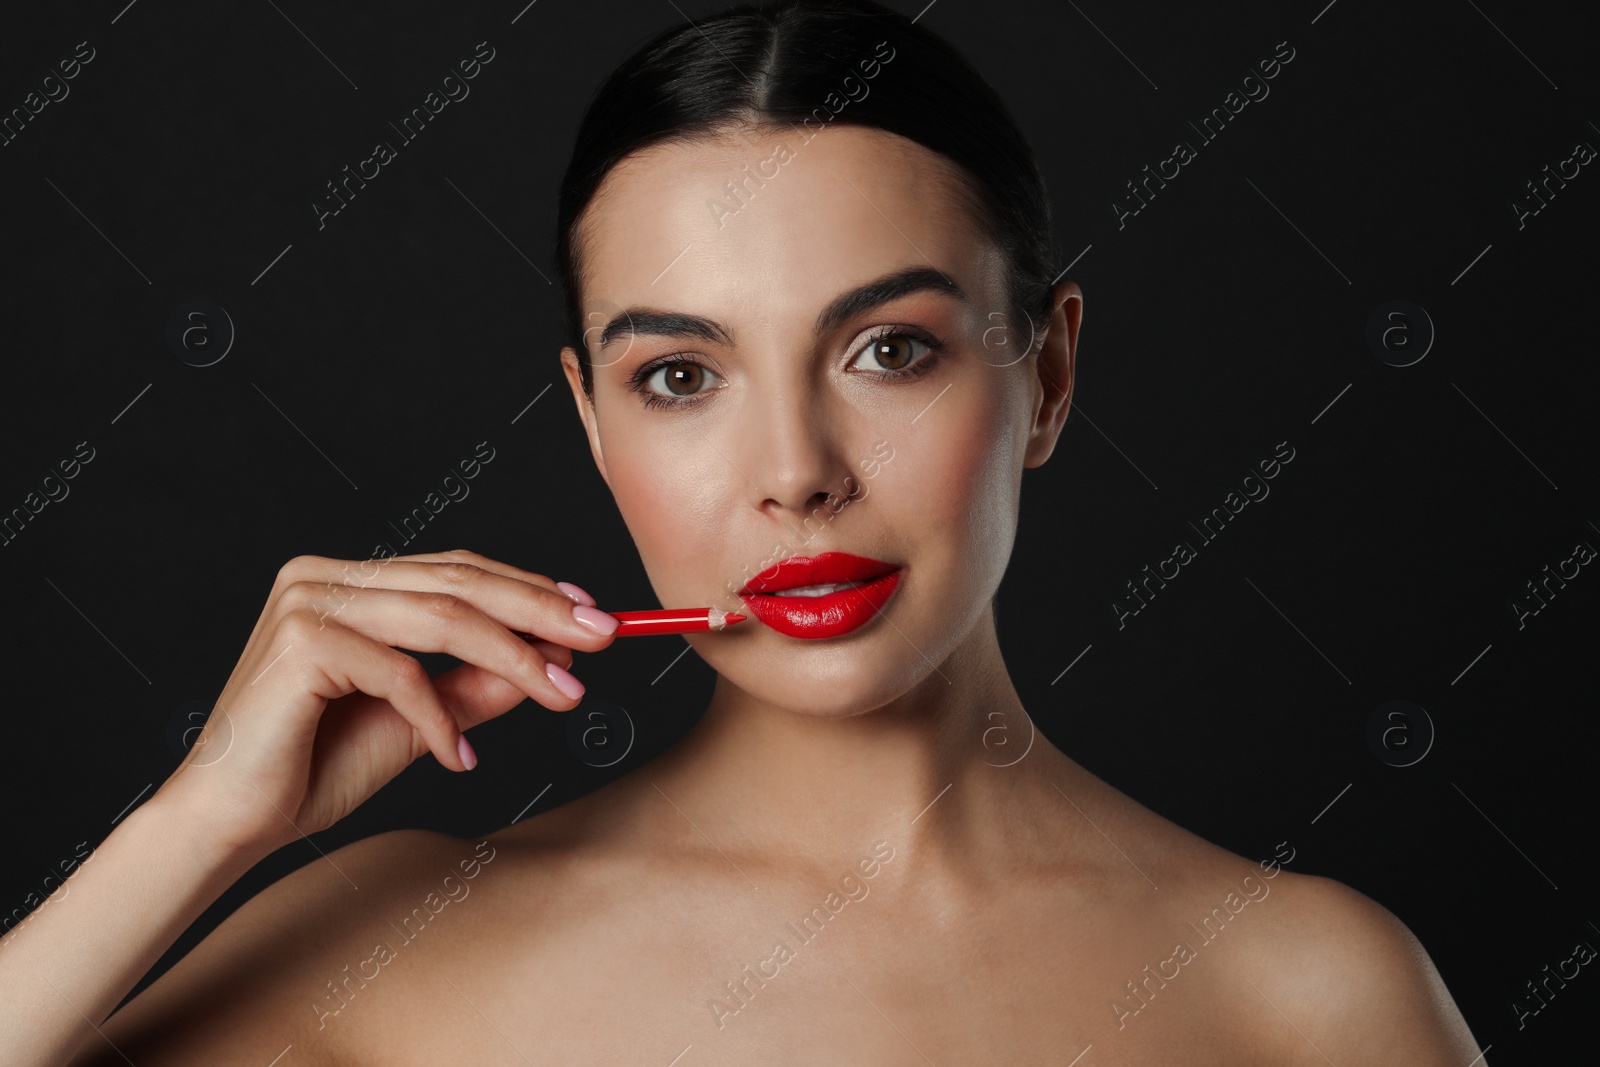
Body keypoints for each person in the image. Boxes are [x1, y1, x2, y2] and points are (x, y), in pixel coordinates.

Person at [5, 1, 1484, 1062]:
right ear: (593, 423)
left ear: (1048, 374)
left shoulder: (1307, 996)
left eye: (888, 351)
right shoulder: (385, 946)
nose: (795, 474)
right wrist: (197, 827)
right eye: (681, 377)